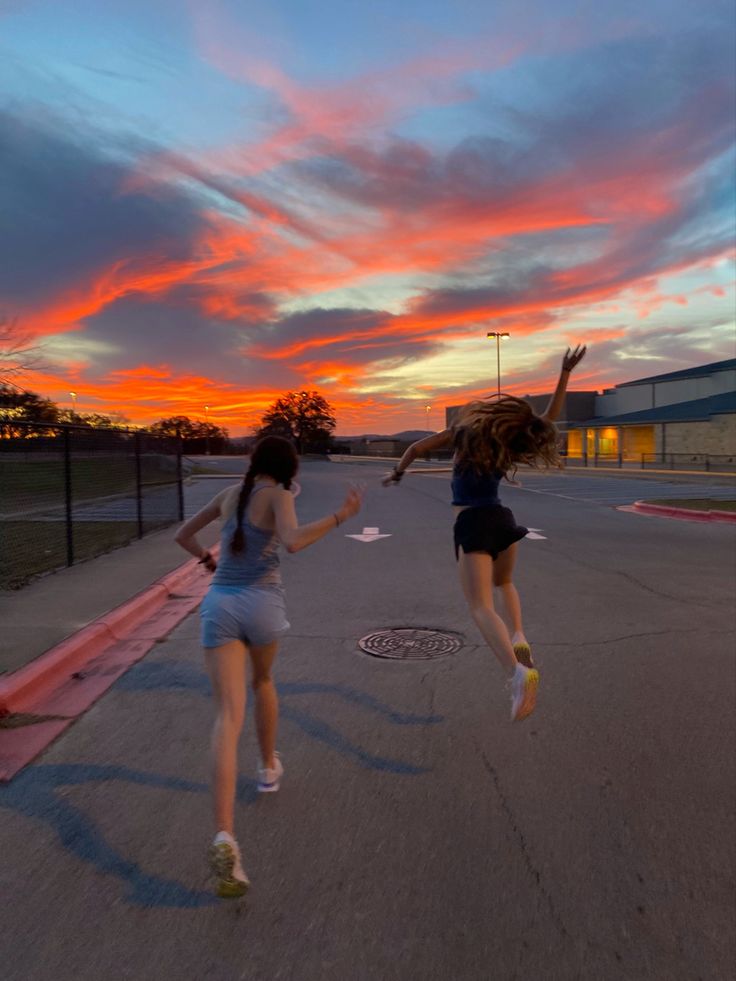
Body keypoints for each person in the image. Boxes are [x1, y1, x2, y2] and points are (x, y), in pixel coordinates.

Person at [175, 435, 363, 897]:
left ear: (254, 461)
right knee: (263, 682)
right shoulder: (278, 495)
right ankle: (266, 769)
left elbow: (182, 535)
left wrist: (205, 559)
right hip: (262, 602)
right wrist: (341, 516)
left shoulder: (228, 495)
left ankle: (224, 835)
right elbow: (294, 542)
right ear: (286, 468)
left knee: (226, 718)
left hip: (220, 603)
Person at [382, 345, 587, 722]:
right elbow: (547, 419)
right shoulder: (508, 442)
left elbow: (414, 448)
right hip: (502, 519)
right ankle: (519, 635)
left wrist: (397, 473)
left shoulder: (459, 433)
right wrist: (564, 375)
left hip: (473, 523)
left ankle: (517, 674)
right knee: (504, 584)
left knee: (479, 606)